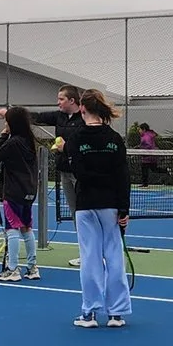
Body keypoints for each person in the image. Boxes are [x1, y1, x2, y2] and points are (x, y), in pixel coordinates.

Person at [64, 89, 132, 326]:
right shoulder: (114, 139)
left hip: (86, 204)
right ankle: (116, 313)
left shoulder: (75, 139)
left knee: (90, 257)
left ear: (82, 108)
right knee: (114, 256)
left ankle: (89, 312)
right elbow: (123, 176)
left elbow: (78, 173)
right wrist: (124, 209)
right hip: (111, 205)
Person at [0, 105, 41, 282]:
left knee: (11, 229)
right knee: (26, 228)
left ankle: (13, 269)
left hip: (13, 193)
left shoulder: (12, 142)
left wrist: (3, 134)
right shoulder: (29, 141)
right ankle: (32, 267)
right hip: (29, 192)